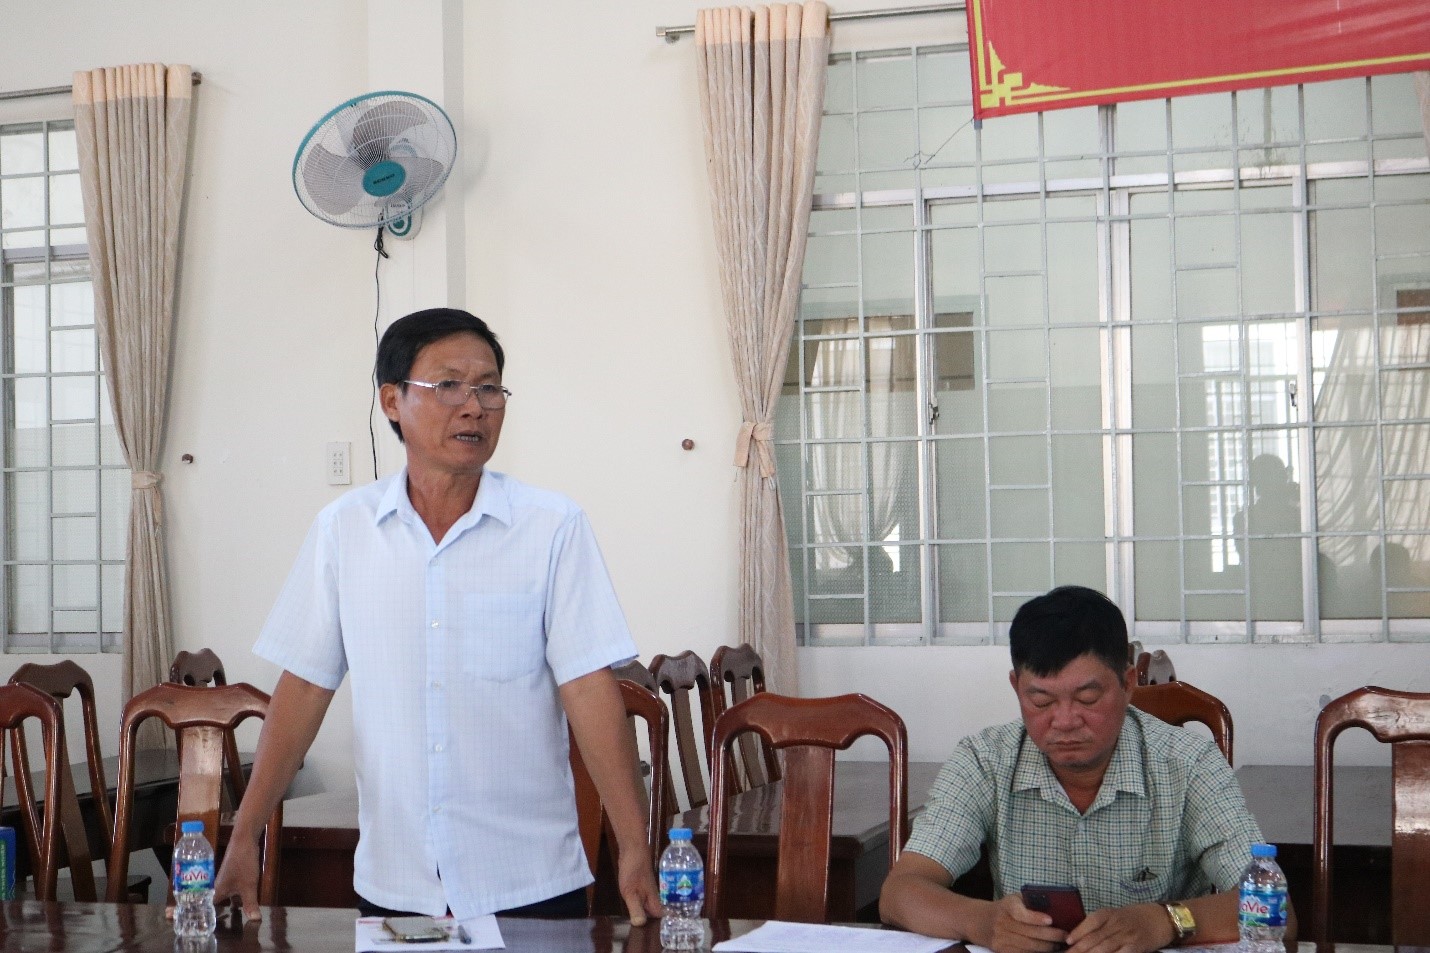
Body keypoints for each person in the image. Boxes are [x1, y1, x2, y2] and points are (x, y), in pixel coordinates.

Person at [214, 308, 661, 925]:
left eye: (489, 388)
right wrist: (245, 837)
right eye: (448, 385)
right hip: (396, 883)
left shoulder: (552, 527)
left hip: (528, 878)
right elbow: (304, 690)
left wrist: (634, 846)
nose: (474, 407)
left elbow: (589, 690)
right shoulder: (344, 531)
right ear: (392, 401)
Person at [881, 586, 1290, 953]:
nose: (1065, 721)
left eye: (1088, 698)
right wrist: (982, 922)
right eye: (1041, 701)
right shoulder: (984, 760)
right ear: (1016, 687)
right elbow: (900, 893)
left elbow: (1279, 911)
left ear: (1127, 684)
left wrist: (1164, 921)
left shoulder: (1188, 764)